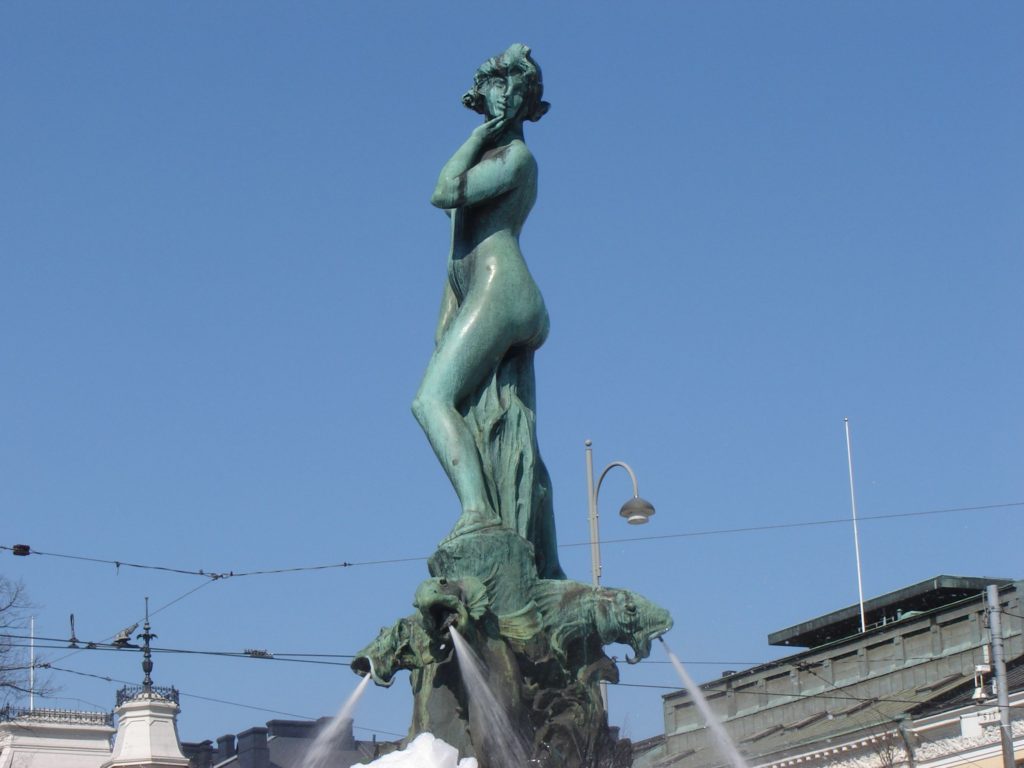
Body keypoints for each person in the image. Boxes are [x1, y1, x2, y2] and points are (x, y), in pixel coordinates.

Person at [412, 44, 552, 541]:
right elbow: (459, 242)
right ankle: (547, 558)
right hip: (487, 292)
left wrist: (472, 139)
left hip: (503, 290)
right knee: (514, 435)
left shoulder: (516, 158)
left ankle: (476, 513)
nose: (501, 96)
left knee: (431, 401)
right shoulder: (497, 157)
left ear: (525, 99)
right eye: (493, 86)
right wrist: (447, 307)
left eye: (512, 88)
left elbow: (444, 192)